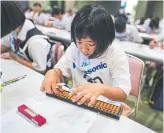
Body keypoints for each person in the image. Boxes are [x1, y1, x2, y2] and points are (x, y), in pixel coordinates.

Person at [41, 5, 131, 107]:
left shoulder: (115, 54)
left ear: (105, 40)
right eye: (79, 41)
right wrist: (53, 72)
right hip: (78, 102)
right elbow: (59, 69)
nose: (83, 49)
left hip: (105, 105)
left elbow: (123, 94)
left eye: (91, 44)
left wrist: (102, 89)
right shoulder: (74, 49)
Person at [1, 1, 51, 74]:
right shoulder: (14, 29)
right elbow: (4, 45)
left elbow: (41, 69)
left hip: (36, 76)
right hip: (20, 69)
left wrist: (16, 58)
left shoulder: (36, 42)